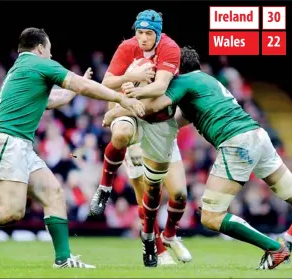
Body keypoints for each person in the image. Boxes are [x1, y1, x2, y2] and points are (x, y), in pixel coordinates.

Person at [0, 27, 145, 269]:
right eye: (50, 51)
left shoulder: (20, 71)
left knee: (54, 193)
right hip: (8, 143)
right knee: (11, 211)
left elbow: (52, 100)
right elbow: (80, 86)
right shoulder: (39, 64)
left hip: (17, 145)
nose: (51, 57)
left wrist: (75, 88)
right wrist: (120, 99)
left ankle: (63, 260)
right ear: (40, 48)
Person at [104, 46, 292, 270]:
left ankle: (275, 248)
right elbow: (175, 120)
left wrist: (117, 110)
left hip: (236, 143)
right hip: (257, 136)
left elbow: (155, 106)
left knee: (211, 217)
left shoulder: (182, 82)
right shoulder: (206, 81)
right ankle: (287, 239)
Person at [89, 9, 191, 266]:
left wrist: (123, 104)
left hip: (158, 121)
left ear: (158, 34)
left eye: (148, 33)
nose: (143, 38)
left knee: (178, 194)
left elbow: (159, 89)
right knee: (140, 186)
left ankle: (168, 236)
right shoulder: (127, 47)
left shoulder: (170, 48)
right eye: (139, 32)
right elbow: (106, 82)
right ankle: (152, 245)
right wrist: (131, 78)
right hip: (132, 117)